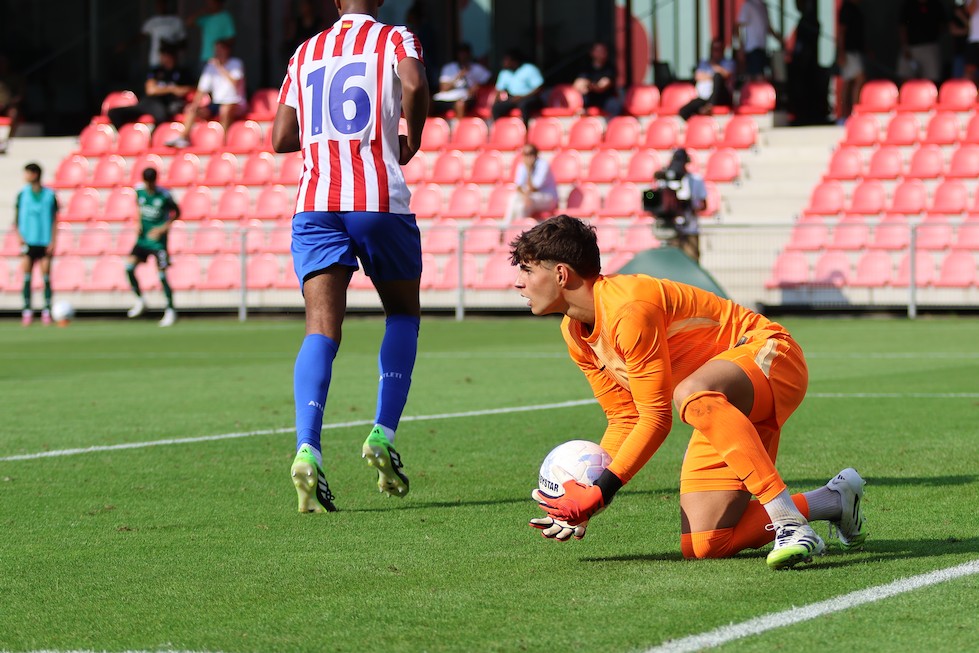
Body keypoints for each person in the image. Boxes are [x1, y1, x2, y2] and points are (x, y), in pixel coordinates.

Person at [511, 215, 868, 569]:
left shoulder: (629, 308)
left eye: (526, 270)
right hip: (716, 406)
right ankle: (833, 500)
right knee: (707, 543)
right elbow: (625, 417)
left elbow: (656, 418)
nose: (518, 282)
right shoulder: (574, 334)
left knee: (689, 392)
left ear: (561, 274)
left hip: (770, 355)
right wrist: (590, 494)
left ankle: (788, 523)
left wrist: (602, 490)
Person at [272, 0, 429, 513]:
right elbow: (414, 85)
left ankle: (307, 448)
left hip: (315, 203)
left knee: (320, 329)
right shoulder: (394, 37)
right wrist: (412, 137)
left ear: (334, 1)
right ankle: (382, 433)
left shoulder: (307, 49)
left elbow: (279, 138)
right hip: (378, 199)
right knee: (402, 312)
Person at [165, 39, 246, 148]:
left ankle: (224, 142)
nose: (217, 52)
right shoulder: (210, 67)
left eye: (220, 50)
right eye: (216, 50)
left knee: (225, 110)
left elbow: (234, 81)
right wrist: (194, 104)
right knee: (192, 109)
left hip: (235, 102)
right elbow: (202, 89)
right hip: (216, 103)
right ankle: (183, 137)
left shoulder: (235, 63)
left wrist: (219, 67)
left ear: (227, 50)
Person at [125, 166, 179, 327]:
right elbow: (138, 208)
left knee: (162, 276)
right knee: (128, 267)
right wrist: (137, 222)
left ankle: (170, 310)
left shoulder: (164, 195)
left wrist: (162, 229)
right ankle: (140, 300)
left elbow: (177, 213)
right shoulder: (139, 191)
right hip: (142, 240)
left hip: (158, 243)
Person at [107, 45, 195, 130]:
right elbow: (150, 90)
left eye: (167, 55)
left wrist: (164, 90)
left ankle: (154, 139)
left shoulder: (183, 73)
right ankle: (124, 136)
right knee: (114, 113)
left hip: (165, 105)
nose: (165, 58)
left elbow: (189, 89)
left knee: (161, 116)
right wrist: (172, 89)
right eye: (163, 55)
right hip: (146, 103)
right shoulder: (156, 71)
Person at [14, 163, 58, 326]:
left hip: (44, 240)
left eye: (27, 173)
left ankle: (47, 310)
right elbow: (16, 219)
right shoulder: (22, 195)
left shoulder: (49, 195)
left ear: (35, 174)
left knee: (46, 277)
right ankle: (27, 310)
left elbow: (54, 220)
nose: (25, 176)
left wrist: (53, 240)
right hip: (28, 241)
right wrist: (19, 236)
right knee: (27, 277)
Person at [648, 149, 706, 263]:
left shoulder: (696, 180)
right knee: (671, 263)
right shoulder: (665, 180)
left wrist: (690, 206)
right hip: (670, 228)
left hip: (690, 229)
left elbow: (704, 205)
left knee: (691, 262)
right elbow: (651, 198)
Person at [502, 144, 558, 228]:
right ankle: (507, 228)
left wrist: (528, 170)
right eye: (525, 153)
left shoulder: (543, 165)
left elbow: (534, 187)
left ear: (536, 154)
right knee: (515, 200)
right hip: (530, 197)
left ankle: (519, 231)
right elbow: (518, 186)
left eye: (530, 153)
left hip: (548, 198)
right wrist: (525, 196)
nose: (528, 156)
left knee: (524, 204)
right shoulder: (522, 165)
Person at [679, 38, 735, 121]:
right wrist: (712, 75)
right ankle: (697, 127)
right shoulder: (704, 63)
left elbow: (725, 75)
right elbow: (698, 76)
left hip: (721, 96)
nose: (716, 52)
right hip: (705, 97)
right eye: (715, 49)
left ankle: (710, 106)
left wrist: (713, 69)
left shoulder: (728, 62)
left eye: (719, 49)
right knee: (683, 111)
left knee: (718, 76)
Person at [431, 42, 492, 118]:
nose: (463, 56)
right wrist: (458, 77)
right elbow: (443, 88)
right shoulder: (449, 68)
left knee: (460, 104)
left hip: (465, 98)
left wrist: (477, 86)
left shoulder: (476, 68)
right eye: (461, 53)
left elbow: (490, 80)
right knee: (428, 103)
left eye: (465, 53)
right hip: (447, 98)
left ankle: (458, 128)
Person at [898, 0, 947, 84]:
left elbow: (943, 26)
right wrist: (905, 47)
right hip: (911, 48)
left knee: (931, 79)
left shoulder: (936, 5)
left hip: (930, 47)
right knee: (905, 77)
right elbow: (902, 27)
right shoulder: (908, 5)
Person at [491, 49, 544, 125]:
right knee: (497, 107)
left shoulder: (529, 69)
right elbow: (499, 90)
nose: (504, 63)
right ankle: (499, 129)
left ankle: (525, 132)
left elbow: (539, 87)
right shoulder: (504, 73)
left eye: (507, 60)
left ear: (514, 61)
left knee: (524, 105)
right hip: (514, 99)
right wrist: (495, 103)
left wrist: (523, 97)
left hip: (530, 98)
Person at [572, 42, 623, 117]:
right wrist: (583, 87)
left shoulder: (609, 68)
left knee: (616, 106)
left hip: (605, 99)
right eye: (599, 51)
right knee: (579, 107)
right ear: (592, 53)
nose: (602, 53)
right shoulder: (586, 67)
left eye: (604, 51)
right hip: (589, 99)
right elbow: (577, 85)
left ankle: (613, 127)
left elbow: (602, 86)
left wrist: (589, 85)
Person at [837, 0, 866, 123]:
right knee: (858, 79)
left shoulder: (855, 9)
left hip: (854, 51)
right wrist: (841, 52)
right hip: (849, 52)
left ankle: (848, 113)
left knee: (849, 81)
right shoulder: (846, 9)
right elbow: (841, 32)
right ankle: (852, 112)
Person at [738, 0, 781, 81]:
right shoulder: (748, 5)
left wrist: (779, 39)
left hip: (762, 48)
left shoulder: (763, 6)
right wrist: (741, 47)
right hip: (752, 48)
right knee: (756, 78)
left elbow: (768, 27)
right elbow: (739, 26)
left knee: (763, 76)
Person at [186, 0, 236, 69]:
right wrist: (201, 12)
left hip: (220, 60)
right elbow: (189, 23)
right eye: (208, 3)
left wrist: (220, 44)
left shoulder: (225, 17)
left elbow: (231, 38)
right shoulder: (206, 17)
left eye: (211, 3)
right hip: (205, 58)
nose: (209, 5)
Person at [142, 0, 187, 68]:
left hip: (171, 63)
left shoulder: (176, 21)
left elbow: (184, 43)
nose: (161, 6)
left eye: (163, 4)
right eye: (159, 4)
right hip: (155, 61)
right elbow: (141, 36)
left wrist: (169, 46)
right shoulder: (151, 22)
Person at [0, 53, 25, 154]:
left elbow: (20, 94)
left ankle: (7, 141)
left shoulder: (14, 78)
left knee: (14, 113)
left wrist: (10, 103)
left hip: (9, 105)